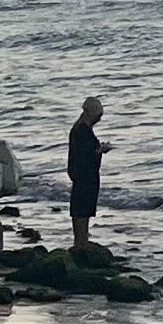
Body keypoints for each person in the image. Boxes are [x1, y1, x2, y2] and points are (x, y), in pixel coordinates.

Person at [66, 96, 106, 248]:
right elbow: (86, 154)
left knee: (81, 210)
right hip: (85, 176)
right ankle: (81, 242)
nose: (99, 120)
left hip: (80, 175)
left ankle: (81, 240)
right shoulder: (83, 130)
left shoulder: (79, 128)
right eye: (98, 116)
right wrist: (100, 150)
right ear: (92, 114)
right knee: (83, 211)